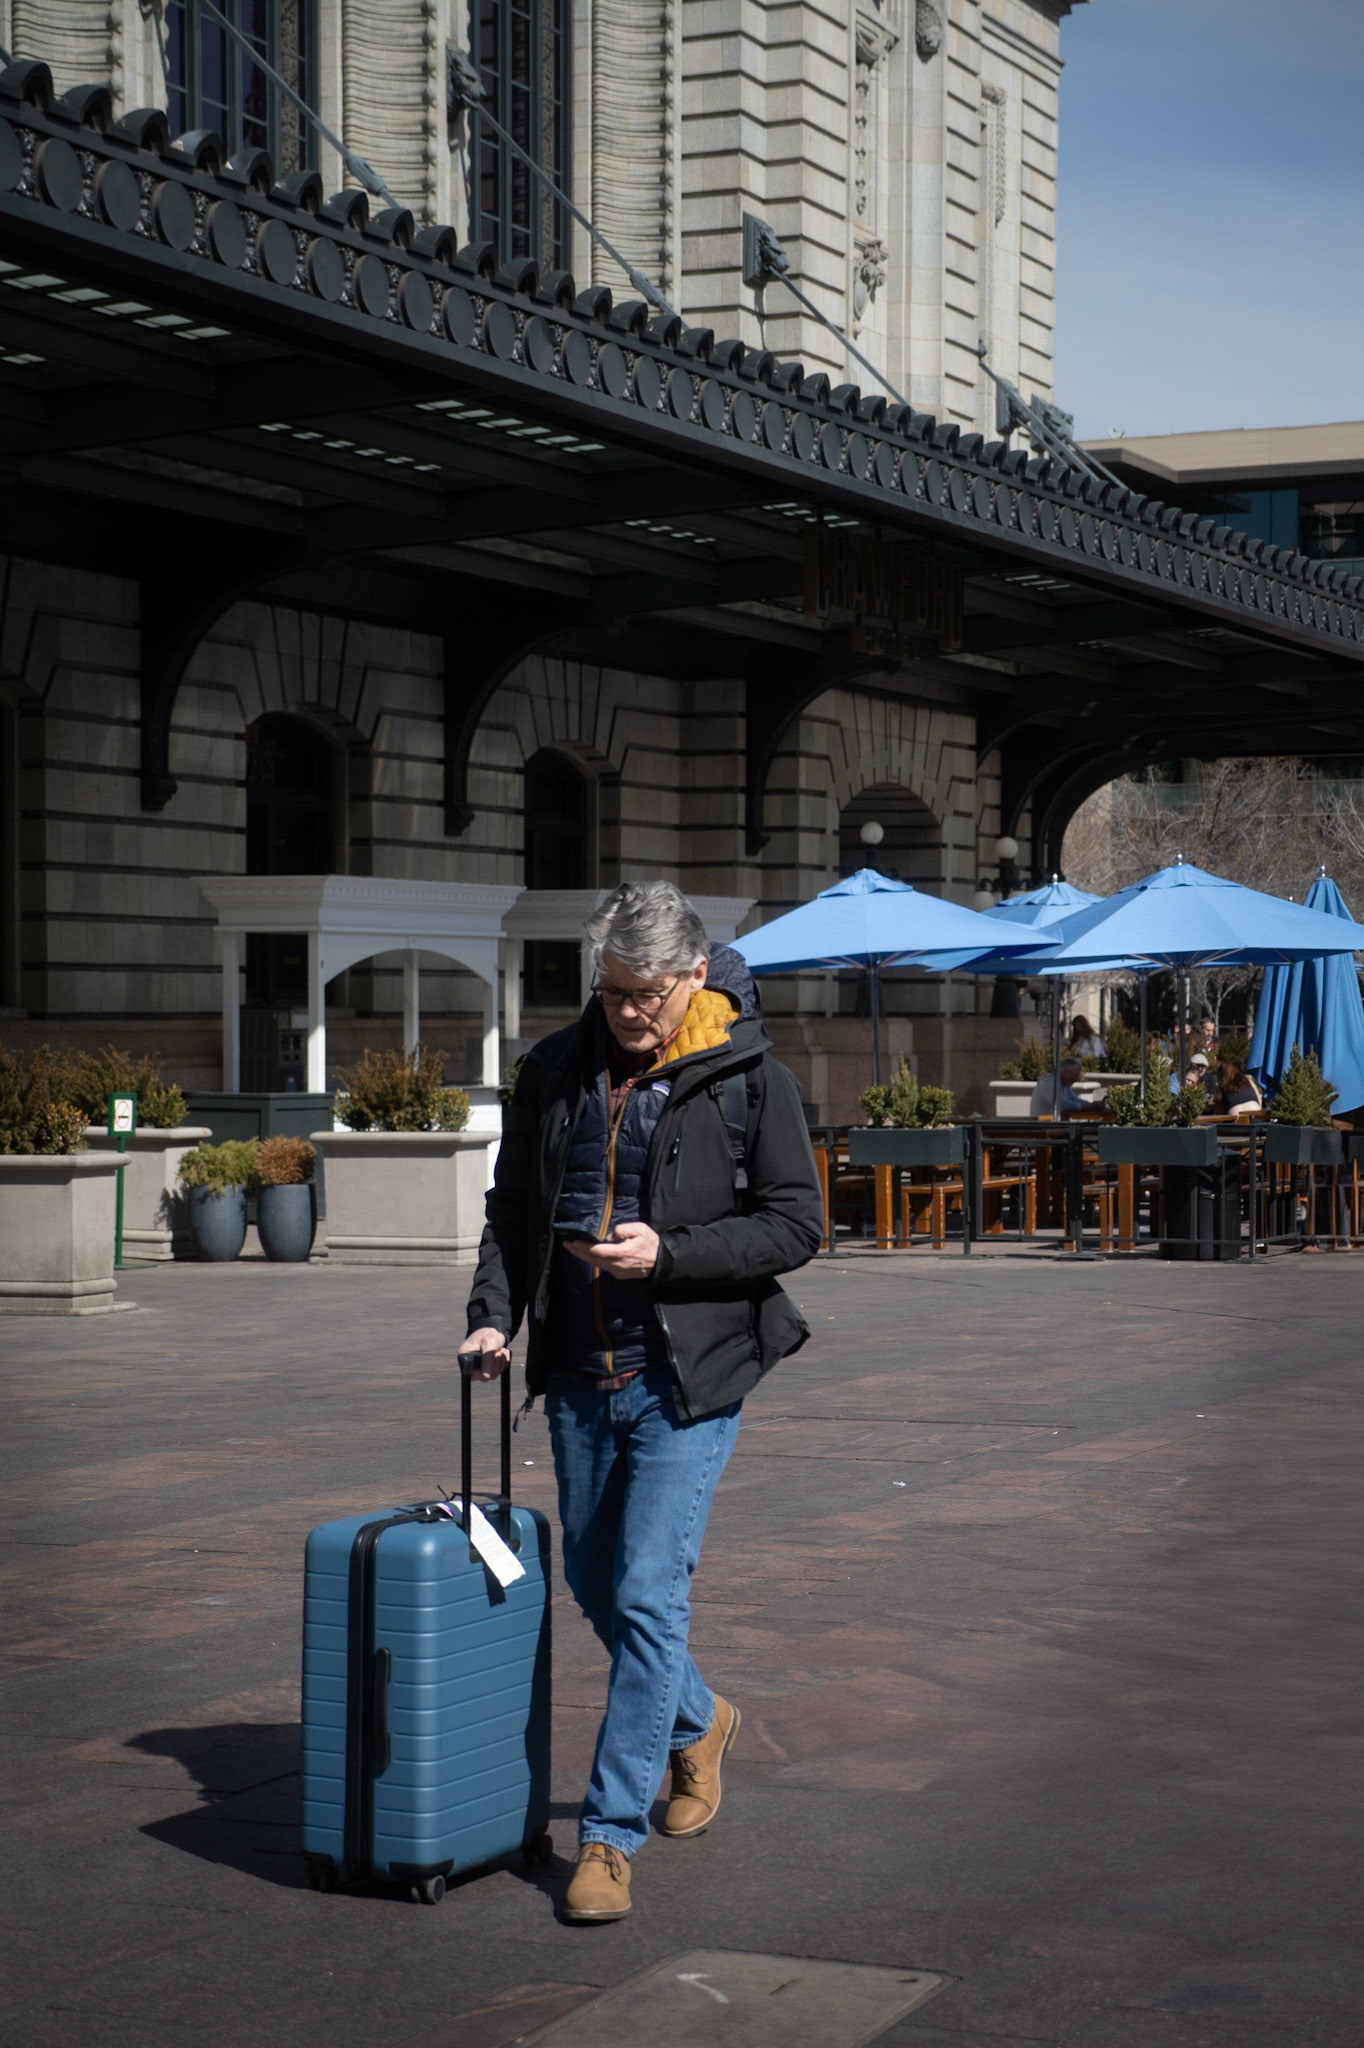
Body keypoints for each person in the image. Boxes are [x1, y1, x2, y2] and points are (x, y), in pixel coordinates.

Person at [462, 881, 824, 1924]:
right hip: (579, 1373)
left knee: (648, 1593)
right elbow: (513, 1211)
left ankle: (608, 1836)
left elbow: (794, 1225)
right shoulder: (551, 1070)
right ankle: (700, 1721)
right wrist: (493, 1317)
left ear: (694, 975)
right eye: (611, 989)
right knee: (594, 1581)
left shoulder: (751, 1078)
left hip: (686, 1379)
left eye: (645, 993)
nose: (625, 1010)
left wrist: (668, 1255)